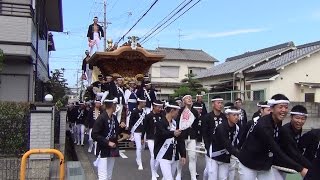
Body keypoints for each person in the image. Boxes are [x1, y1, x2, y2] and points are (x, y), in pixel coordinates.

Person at [238, 94, 308, 180]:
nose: (284, 110)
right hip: (248, 163)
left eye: (286, 107)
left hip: (264, 165)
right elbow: (276, 150)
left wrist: (310, 167)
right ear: (271, 109)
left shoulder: (278, 122)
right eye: (280, 107)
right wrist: (301, 169)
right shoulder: (263, 126)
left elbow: (291, 150)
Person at [273, 105, 312, 180]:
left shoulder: (298, 128)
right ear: (291, 117)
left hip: (287, 160)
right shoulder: (286, 131)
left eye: (303, 119)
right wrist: (308, 167)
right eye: (297, 118)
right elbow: (293, 153)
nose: (299, 121)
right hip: (277, 163)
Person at [154, 101, 186, 180]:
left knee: (167, 177)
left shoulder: (176, 124)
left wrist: (183, 155)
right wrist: (173, 133)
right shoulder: (160, 123)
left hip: (174, 155)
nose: (177, 114)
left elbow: (180, 140)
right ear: (172, 111)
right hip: (163, 155)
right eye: (177, 112)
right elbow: (162, 134)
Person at [92, 96, 120, 180]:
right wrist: (107, 142)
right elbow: (94, 134)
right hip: (103, 149)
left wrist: (124, 131)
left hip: (112, 149)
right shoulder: (101, 118)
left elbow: (117, 131)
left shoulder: (114, 118)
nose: (116, 107)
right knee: (103, 175)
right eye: (115, 104)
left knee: (109, 174)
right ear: (112, 105)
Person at [210, 106, 241, 180]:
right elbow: (227, 144)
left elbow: (236, 143)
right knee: (212, 176)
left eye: (237, 115)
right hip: (214, 155)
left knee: (223, 178)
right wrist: (240, 156)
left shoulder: (237, 128)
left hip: (226, 156)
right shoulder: (221, 128)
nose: (236, 117)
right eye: (234, 115)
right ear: (227, 116)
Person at [202, 96, 227, 180]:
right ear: (213, 104)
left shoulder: (224, 117)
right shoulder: (207, 117)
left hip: (221, 148)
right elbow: (204, 133)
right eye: (218, 103)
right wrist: (207, 145)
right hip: (211, 146)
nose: (220, 105)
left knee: (222, 175)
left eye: (221, 103)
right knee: (211, 172)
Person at [176, 95, 199, 180]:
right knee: (180, 156)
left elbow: (196, 125)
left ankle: (193, 177)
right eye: (187, 98)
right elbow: (178, 124)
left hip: (192, 137)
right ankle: (178, 173)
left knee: (192, 156)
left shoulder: (194, 112)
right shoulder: (180, 111)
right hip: (182, 137)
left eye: (190, 98)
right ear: (183, 101)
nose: (189, 99)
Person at [142, 100, 163, 180]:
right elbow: (144, 127)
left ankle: (155, 170)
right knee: (153, 155)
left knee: (159, 156)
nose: (159, 109)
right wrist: (142, 138)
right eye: (158, 107)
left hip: (160, 138)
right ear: (154, 106)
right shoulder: (148, 116)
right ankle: (153, 174)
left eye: (161, 107)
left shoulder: (161, 115)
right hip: (151, 138)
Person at [129, 97, 147, 170]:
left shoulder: (144, 112)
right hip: (136, 132)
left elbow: (145, 123)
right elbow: (131, 122)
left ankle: (137, 158)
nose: (145, 104)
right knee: (138, 147)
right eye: (144, 102)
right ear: (140, 102)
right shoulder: (134, 111)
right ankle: (140, 163)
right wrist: (131, 132)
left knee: (142, 147)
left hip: (143, 132)